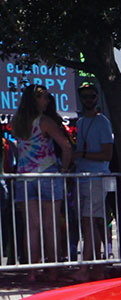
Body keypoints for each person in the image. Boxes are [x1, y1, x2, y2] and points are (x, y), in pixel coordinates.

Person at [8, 83, 73, 263]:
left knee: (31, 227)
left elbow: (17, 148)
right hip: (47, 174)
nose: (47, 100)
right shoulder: (44, 121)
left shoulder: (17, 121)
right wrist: (64, 169)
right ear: (35, 99)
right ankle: (52, 269)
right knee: (50, 226)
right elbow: (66, 147)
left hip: (24, 177)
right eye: (44, 97)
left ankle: (32, 270)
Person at [72, 80, 114, 260]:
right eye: (84, 96)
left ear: (97, 98)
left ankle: (90, 266)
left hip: (97, 178)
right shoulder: (81, 122)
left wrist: (82, 154)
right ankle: (95, 263)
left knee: (90, 222)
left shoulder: (103, 122)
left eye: (91, 96)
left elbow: (107, 154)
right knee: (87, 223)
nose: (88, 99)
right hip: (82, 178)